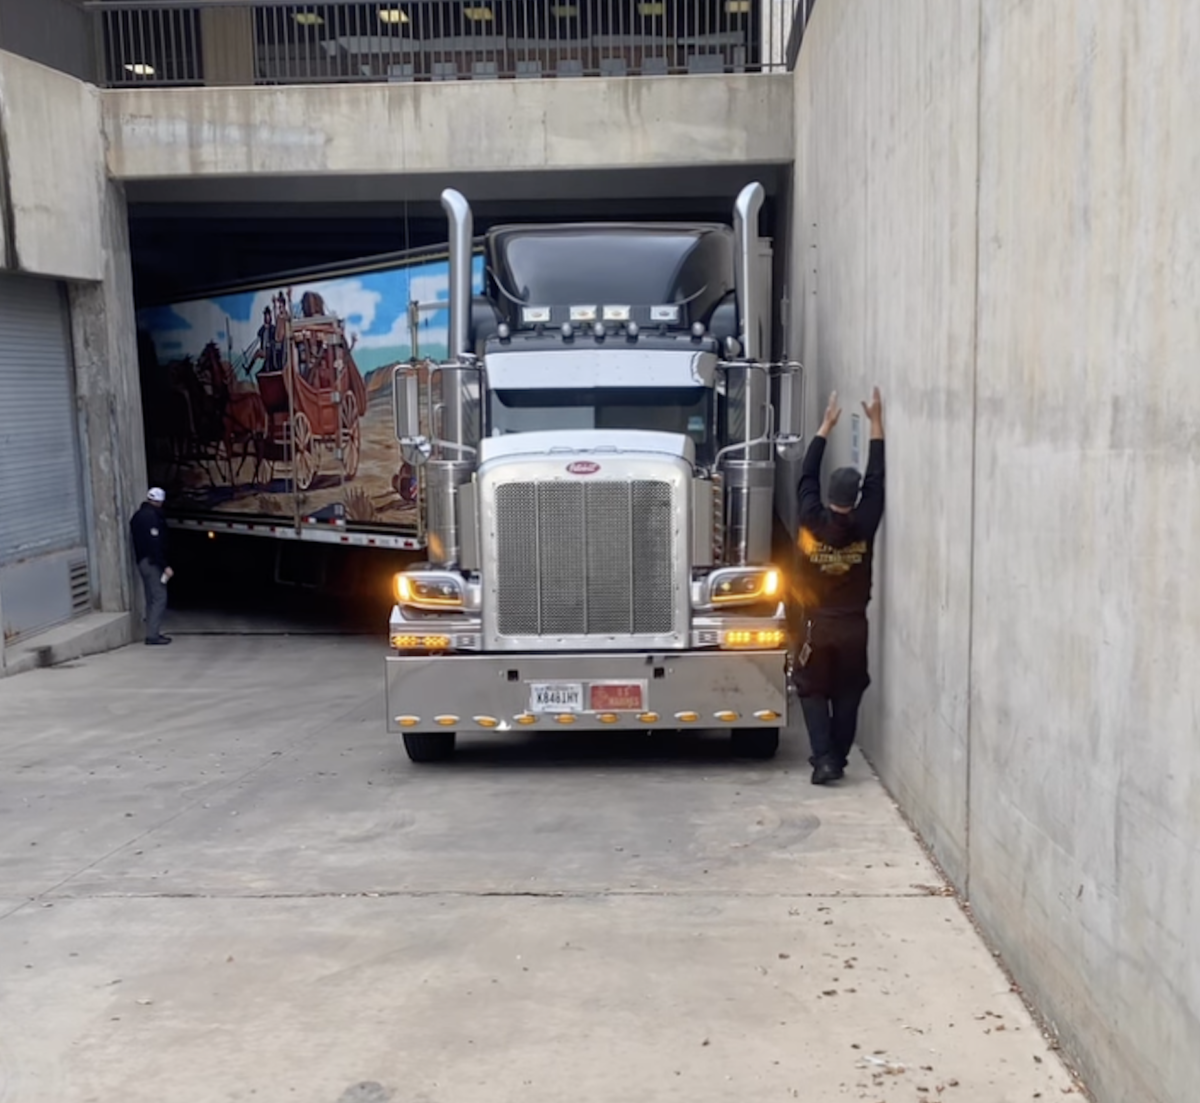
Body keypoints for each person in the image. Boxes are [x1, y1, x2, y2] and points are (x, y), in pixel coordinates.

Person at [794, 387, 885, 784]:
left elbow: (806, 475)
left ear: (829, 497)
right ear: (854, 497)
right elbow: (877, 482)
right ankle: (837, 759)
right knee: (848, 692)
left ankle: (824, 760)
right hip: (853, 626)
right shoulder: (864, 524)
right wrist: (877, 424)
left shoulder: (810, 520)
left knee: (812, 690)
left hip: (816, 624)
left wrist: (825, 427)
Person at [129, 487, 174, 646]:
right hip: (152, 562)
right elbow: (155, 545)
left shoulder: (137, 516)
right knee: (159, 597)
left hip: (142, 561)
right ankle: (153, 635)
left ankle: (151, 632)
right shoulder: (152, 518)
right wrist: (165, 566)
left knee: (150, 598)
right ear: (160, 501)